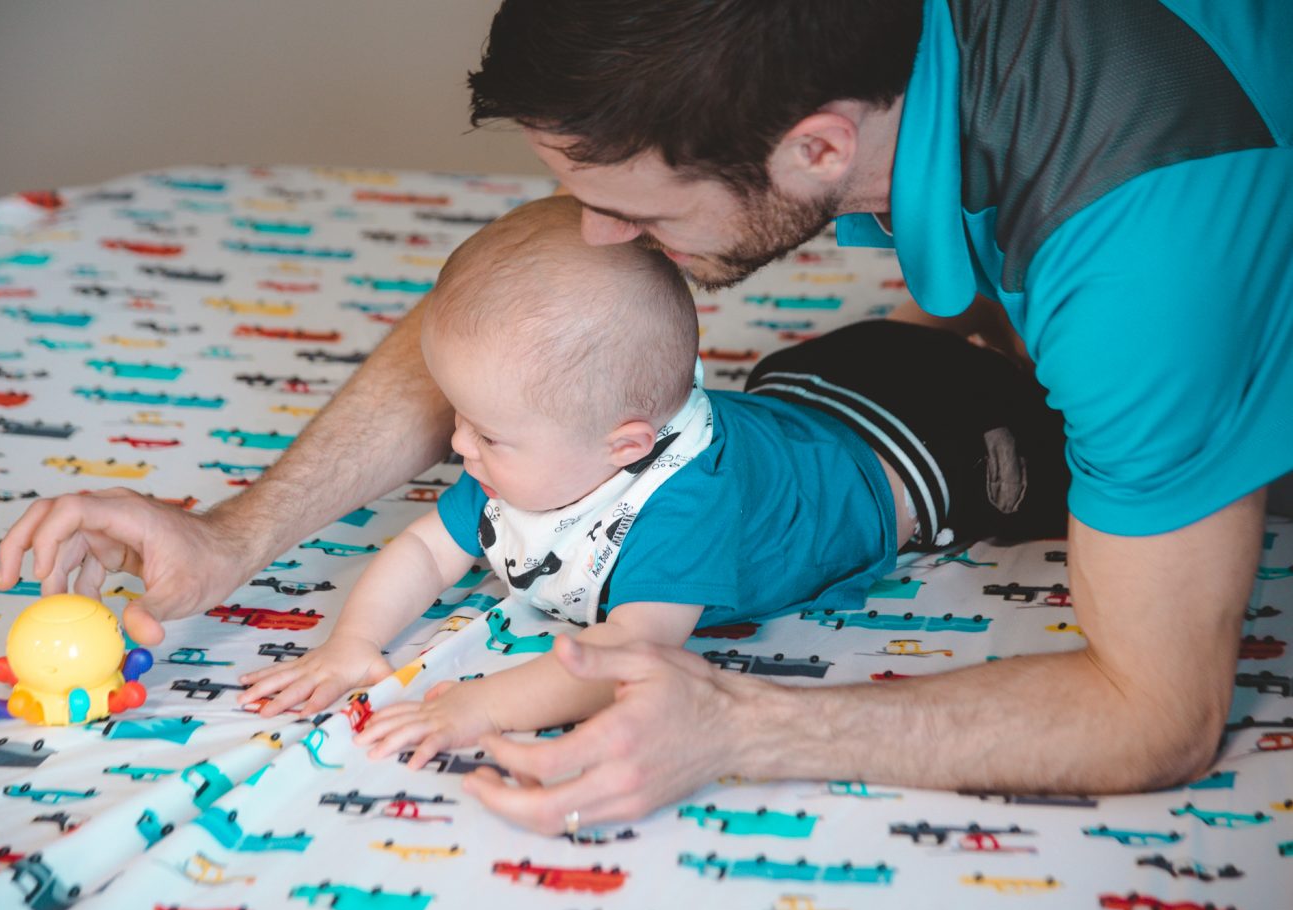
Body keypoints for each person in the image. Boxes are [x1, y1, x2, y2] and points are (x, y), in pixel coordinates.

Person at [0, 0, 1291, 835]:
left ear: (821, 149)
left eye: (642, 214)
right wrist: (235, 537)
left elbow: (1155, 710)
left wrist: (746, 723)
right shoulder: (829, 62)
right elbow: (522, 310)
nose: (597, 239)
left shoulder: (1144, 260)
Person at [234, 196, 1066, 770]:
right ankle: (943, 322)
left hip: (918, 447)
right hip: (818, 381)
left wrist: (475, 708)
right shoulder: (534, 457)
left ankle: (995, 316)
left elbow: (620, 657)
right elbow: (423, 549)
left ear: (625, 446)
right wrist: (354, 644)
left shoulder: (680, 507)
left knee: (1050, 436)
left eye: (485, 432)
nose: (457, 447)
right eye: (460, 417)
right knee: (891, 350)